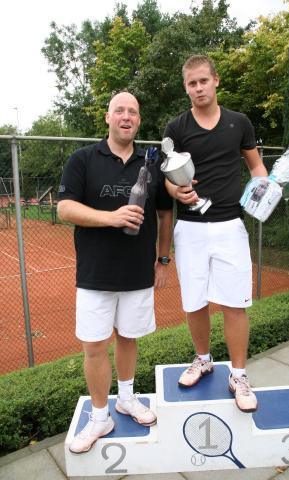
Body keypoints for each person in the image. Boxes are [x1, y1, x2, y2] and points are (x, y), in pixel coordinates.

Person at [58, 91, 173, 453]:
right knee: (94, 346)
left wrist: (164, 260)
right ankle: (99, 416)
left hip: (139, 272)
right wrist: (111, 217)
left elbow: (166, 214)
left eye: (133, 112)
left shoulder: (152, 164)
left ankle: (125, 398)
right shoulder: (83, 159)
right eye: (119, 111)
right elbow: (64, 208)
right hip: (95, 273)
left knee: (129, 338)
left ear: (138, 121)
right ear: (107, 118)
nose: (126, 117)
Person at [163, 55, 268, 413]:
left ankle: (238, 375)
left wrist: (265, 188)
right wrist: (176, 191)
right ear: (186, 87)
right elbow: (167, 176)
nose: (198, 88)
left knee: (234, 302)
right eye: (191, 84)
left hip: (229, 226)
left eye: (202, 81)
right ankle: (203, 359)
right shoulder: (175, 128)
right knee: (194, 301)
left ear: (215, 80)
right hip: (189, 228)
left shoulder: (239, 123)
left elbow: (255, 165)